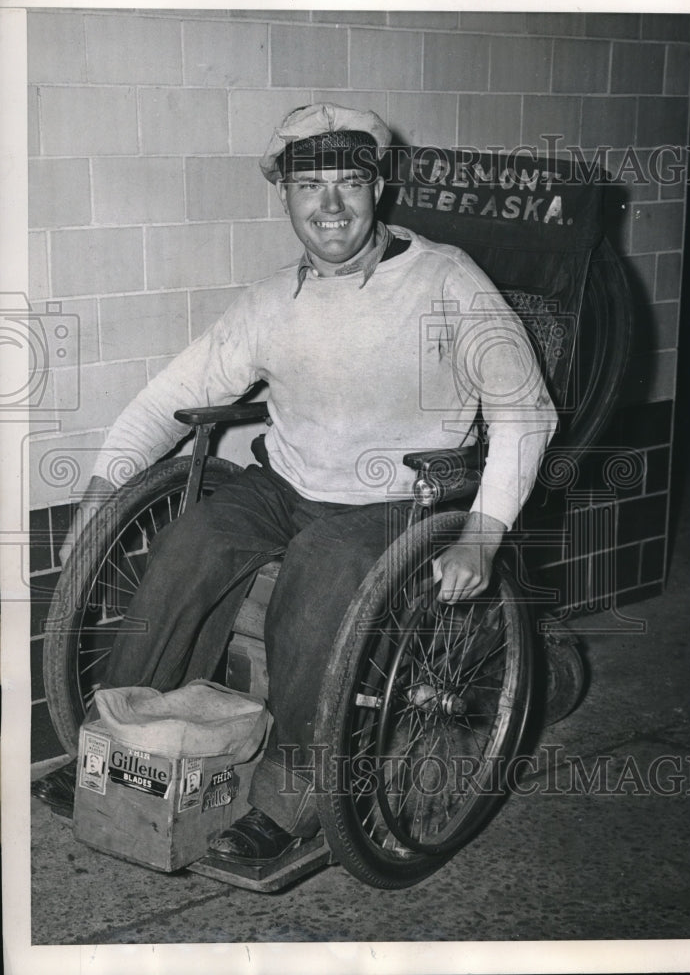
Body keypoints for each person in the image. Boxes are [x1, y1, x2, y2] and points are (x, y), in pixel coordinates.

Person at [33, 103, 557, 870]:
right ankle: (121, 746)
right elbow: (159, 401)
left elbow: (526, 412)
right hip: (284, 485)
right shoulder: (272, 300)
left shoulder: (447, 281)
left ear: (379, 187)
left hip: (401, 500)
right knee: (192, 540)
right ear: (285, 196)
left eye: (349, 182)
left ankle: (290, 798)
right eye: (310, 186)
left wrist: (483, 532)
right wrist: (100, 498)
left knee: (320, 575)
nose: (331, 207)